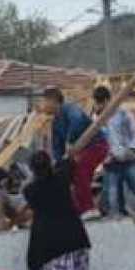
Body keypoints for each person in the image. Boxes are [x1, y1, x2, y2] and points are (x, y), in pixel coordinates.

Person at [24, 151, 93, 270]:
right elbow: (69, 161)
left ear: (32, 169)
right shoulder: (61, 179)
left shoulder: (30, 190)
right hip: (75, 238)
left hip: (52, 244)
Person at [43, 86, 109, 215]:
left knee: (80, 171)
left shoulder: (69, 109)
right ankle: (79, 207)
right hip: (82, 151)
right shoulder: (56, 122)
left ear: (53, 100)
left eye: (44, 101)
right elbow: (57, 147)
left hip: (96, 145)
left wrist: (70, 140)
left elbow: (77, 121)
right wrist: (59, 164)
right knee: (71, 175)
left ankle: (89, 209)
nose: (43, 106)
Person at [93, 85, 135, 217]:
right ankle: (120, 219)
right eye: (98, 103)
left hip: (127, 159)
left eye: (102, 102)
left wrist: (132, 149)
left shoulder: (122, 113)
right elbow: (97, 143)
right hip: (111, 163)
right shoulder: (96, 119)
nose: (100, 106)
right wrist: (103, 158)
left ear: (108, 100)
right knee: (113, 199)